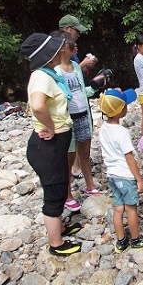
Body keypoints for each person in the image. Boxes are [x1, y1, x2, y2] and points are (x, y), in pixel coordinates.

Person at [22, 33, 82, 256]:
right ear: (50, 55)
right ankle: (56, 243)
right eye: (58, 49)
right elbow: (37, 106)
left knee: (60, 181)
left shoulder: (48, 74)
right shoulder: (42, 77)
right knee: (54, 190)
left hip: (54, 143)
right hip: (48, 144)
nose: (62, 51)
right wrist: (52, 126)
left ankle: (61, 227)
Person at [98, 89, 143, 253]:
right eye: (125, 105)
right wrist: (139, 179)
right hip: (125, 175)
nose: (127, 107)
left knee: (118, 209)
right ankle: (136, 240)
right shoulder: (122, 132)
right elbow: (129, 158)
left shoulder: (104, 129)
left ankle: (121, 241)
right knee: (131, 208)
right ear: (120, 111)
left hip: (112, 175)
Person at [53, 31, 101, 212]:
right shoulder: (56, 70)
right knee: (68, 158)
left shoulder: (75, 65)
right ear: (62, 47)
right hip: (68, 118)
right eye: (70, 42)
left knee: (85, 155)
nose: (75, 44)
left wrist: (96, 85)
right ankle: (68, 195)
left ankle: (90, 186)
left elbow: (82, 90)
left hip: (83, 114)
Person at [59, 14, 98, 179]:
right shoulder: (58, 58)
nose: (79, 35)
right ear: (67, 29)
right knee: (71, 143)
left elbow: (78, 84)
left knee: (83, 139)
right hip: (68, 113)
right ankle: (73, 169)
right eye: (76, 31)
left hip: (82, 106)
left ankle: (80, 166)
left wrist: (95, 85)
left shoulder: (73, 61)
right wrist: (83, 65)